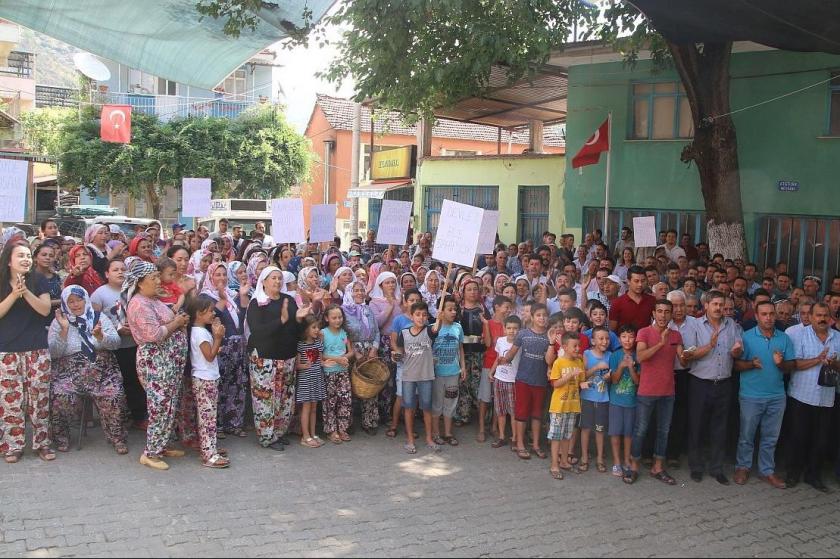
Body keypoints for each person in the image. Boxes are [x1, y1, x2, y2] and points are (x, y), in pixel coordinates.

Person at [124, 261, 190, 471]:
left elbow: (166, 318)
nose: (157, 280)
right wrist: (176, 324)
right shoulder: (138, 304)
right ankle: (150, 452)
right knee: (160, 406)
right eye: (152, 278)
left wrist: (178, 318)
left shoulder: (153, 299)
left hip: (169, 362)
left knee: (170, 405)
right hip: (155, 361)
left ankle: (163, 445)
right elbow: (154, 335)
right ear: (140, 283)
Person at [680, 291, 743, 485]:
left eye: (721, 304)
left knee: (720, 428)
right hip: (700, 383)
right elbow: (688, 355)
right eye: (714, 304)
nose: (718, 308)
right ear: (705, 305)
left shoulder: (731, 325)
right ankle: (696, 467)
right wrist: (709, 346)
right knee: (697, 426)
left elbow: (739, 349)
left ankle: (717, 469)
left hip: (724, 383)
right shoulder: (695, 326)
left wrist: (737, 351)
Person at [0, 240, 54, 463]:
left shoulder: (38, 280)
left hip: (37, 349)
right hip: (7, 349)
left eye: (28, 256)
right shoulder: (1, 281)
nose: (25, 259)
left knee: (39, 399)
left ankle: (42, 443)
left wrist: (25, 292)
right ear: (9, 261)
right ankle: (13, 446)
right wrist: (14, 294)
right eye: (20, 256)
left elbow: (44, 309)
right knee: (11, 401)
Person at [732, 301, 795, 489]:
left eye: (771, 314)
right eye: (764, 314)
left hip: (776, 396)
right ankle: (743, 467)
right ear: (757, 316)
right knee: (746, 435)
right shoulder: (746, 337)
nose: (768, 317)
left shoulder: (784, 339)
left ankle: (767, 470)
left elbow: (791, 366)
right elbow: (736, 365)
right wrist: (751, 364)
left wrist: (781, 364)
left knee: (770, 437)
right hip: (751, 395)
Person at [246, 266, 309, 451]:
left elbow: (296, 331)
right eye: (273, 278)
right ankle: (266, 436)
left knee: (284, 398)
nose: (277, 281)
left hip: (287, 357)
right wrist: (280, 321)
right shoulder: (257, 303)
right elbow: (258, 331)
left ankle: (279, 433)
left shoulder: (288, 300)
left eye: (279, 278)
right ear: (263, 281)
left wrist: (298, 319)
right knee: (266, 399)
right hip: (265, 359)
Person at [624, 300, 683, 485]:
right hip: (647, 390)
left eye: (667, 312)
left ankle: (658, 467)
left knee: (663, 431)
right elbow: (640, 357)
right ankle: (633, 467)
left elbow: (683, 360)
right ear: (653, 313)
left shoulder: (676, 335)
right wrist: (660, 344)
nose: (663, 315)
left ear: (671, 314)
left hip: (668, 390)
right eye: (659, 311)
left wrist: (687, 356)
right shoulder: (644, 332)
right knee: (641, 429)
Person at [785, 303, 840, 492]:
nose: (822, 318)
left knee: (821, 440)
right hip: (802, 396)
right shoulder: (800, 335)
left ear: (830, 317)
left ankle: (813, 476)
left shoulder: (837, 337)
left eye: (825, 315)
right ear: (811, 316)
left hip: (826, 398)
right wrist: (818, 359)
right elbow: (795, 364)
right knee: (798, 437)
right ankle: (792, 473)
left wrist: (834, 363)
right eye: (818, 315)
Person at [91, 259, 146, 430]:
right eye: (115, 270)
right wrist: (116, 329)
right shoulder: (99, 294)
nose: (120, 272)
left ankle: (138, 416)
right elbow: (95, 322)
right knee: (119, 383)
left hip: (133, 344)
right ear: (107, 274)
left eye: (123, 269)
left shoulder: (133, 291)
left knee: (136, 382)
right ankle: (119, 418)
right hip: (113, 347)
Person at [201, 262, 249, 438]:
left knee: (237, 383)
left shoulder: (232, 294)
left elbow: (243, 317)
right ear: (210, 277)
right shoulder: (206, 296)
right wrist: (221, 299)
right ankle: (218, 424)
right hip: (221, 345)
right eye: (217, 275)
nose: (221, 278)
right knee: (221, 384)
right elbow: (213, 317)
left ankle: (234, 422)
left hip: (238, 344)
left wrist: (243, 296)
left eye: (224, 274)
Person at [185, 294, 230, 469]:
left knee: (208, 416)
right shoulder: (201, 333)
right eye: (210, 311)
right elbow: (209, 356)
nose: (213, 314)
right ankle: (209, 453)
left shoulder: (199, 331)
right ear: (199, 313)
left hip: (207, 376)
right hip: (205, 378)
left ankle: (210, 448)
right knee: (207, 417)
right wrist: (218, 338)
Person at [504, 303, 551, 460]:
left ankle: (536, 445)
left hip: (541, 381)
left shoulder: (549, 337)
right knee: (521, 414)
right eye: (538, 315)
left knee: (537, 414)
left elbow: (550, 360)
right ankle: (520, 444)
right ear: (532, 317)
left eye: (544, 315)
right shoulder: (523, 334)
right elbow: (511, 352)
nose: (542, 318)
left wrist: (552, 343)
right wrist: (502, 360)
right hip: (523, 379)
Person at [394, 301, 438, 454]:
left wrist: (439, 317)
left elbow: (435, 329)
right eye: (417, 314)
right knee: (409, 408)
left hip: (426, 376)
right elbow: (399, 352)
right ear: (411, 316)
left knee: (426, 407)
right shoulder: (404, 333)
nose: (421, 318)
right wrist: (396, 356)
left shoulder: (430, 331)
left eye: (424, 315)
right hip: (408, 377)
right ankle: (410, 440)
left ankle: (429, 438)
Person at [547, 332, 587, 480]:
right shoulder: (559, 362)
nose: (577, 349)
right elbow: (555, 384)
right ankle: (554, 465)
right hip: (559, 406)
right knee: (556, 436)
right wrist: (570, 375)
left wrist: (588, 384)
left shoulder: (579, 362)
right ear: (564, 346)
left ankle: (564, 461)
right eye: (574, 346)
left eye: (579, 345)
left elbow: (581, 383)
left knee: (567, 436)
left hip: (573, 405)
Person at [431, 296, 465, 446]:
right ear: (441, 311)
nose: (453, 312)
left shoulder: (458, 327)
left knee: (450, 402)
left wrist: (463, 366)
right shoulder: (433, 328)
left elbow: (460, 348)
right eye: (449, 309)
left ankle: (448, 432)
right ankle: (436, 432)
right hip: (437, 373)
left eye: (455, 309)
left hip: (453, 372)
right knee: (437, 403)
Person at [455, 279, 488, 430]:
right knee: (463, 383)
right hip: (462, 352)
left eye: (475, 289)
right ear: (463, 292)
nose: (473, 292)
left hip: (479, 353)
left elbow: (489, 328)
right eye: (469, 289)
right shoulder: (458, 309)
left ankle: (482, 415)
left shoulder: (482, 309)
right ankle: (464, 414)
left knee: (478, 383)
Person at [608, 325, 640, 477]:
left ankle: (627, 460)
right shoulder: (615, 355)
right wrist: (621, 366)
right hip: (616, 401)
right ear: (619, 339)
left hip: (632, 402)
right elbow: (614, 381)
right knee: (615, 433)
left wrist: (632, 367)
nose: (628, 340)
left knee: (629, 433)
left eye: (631, 336)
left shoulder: (638, 355)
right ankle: (616, 462)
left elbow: (637, 382)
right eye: (624, 337)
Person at [580, 326, 612, 473]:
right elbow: (583, 376)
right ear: (593, 340)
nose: (604, 341)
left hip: (603, 399)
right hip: (587, 397)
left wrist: (609, 377)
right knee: (586, 428)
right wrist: (596, 367)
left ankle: (600, 458)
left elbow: (613, 376)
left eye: (606, 338)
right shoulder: (587, 353)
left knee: (600, 430)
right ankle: (584, 457)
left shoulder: (610, 356)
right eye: (601, 338)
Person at [321, 305, 353, 444]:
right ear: (327, 318)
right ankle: (331, 430)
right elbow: (320, 354)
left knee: (344, 399)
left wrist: (345, 357)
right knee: (330, 402)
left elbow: (350, 351)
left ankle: (342, 428)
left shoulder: (344, 333)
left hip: (343, 372)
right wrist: (336, 359)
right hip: (329, 373)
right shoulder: (323, 333)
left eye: (340, 317)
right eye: (334, 318)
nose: (337, 320)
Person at [609, 266, 656, 332]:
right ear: (628, 281)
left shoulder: (651, 300)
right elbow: (612, 330)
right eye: (636, 281)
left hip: (645, 341)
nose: (640, 284)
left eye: (643, 281)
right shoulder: (617, 303)